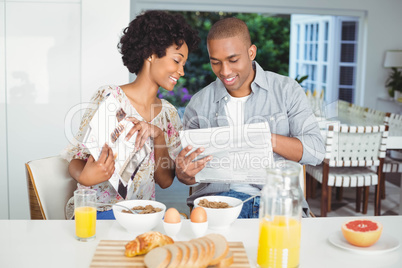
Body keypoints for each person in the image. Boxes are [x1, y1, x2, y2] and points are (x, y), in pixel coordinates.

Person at [175, 17, 325, 218]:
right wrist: (184, 173)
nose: (225, 71)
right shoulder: (199, 103)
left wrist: (264, 138)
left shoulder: (286, 90)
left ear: (251, 52)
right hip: (218, 203)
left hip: (276, 201)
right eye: (215, 62)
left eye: (233, 60)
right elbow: (188, 176)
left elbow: (315, 150)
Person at [61, 10, 200, 219]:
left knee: (178, 226)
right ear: (151, 54)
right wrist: (85, 176)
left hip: (142, 214)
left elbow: (165, 181)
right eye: (177, 60)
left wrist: (159, 135)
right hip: (99, 210)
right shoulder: (110, 98)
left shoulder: (168, 114)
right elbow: (76, 160)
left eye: (184, 64)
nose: (181, 71)